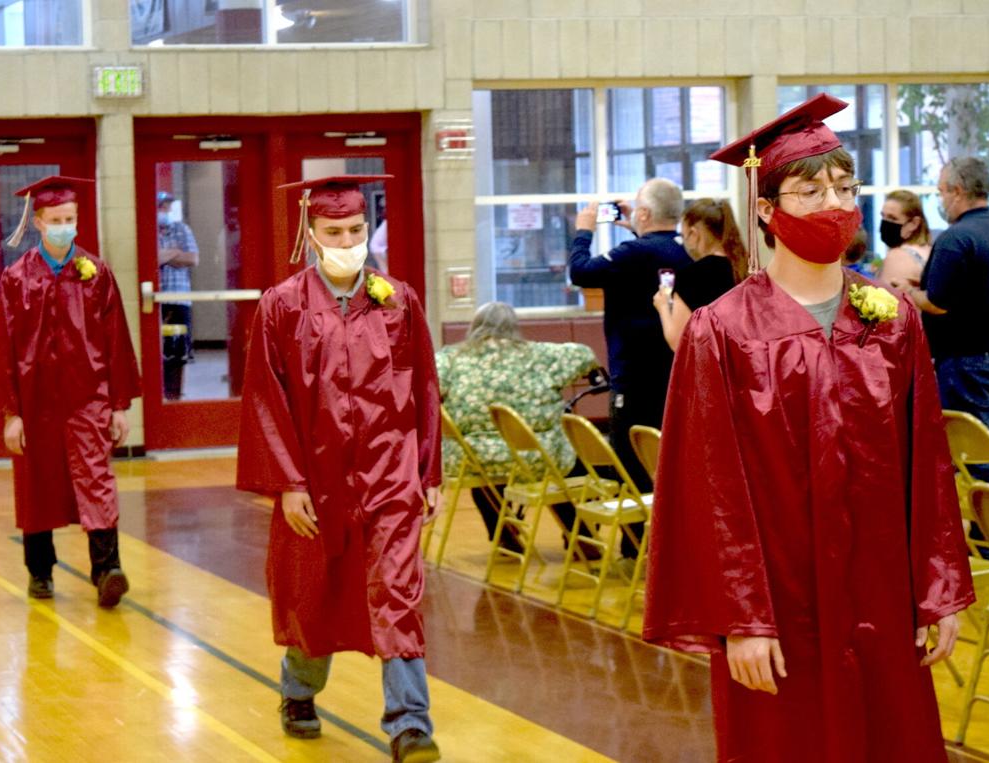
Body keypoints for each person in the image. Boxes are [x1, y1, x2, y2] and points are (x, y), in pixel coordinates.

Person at [642, 94, 975, 763]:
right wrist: (742, 617)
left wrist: (939, 587)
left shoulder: (891, 321)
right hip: (779, 610)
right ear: (766, 210)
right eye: (810, 189)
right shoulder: (723, 331)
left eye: (844, 188)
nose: (833, 204)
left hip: (882, 597)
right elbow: (711, 487)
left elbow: (928, 464)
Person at [237, 174, 443, 763]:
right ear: (311, 233)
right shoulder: (282, 306)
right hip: (315, 478)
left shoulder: (398, 300)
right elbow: (263, 399)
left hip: (389, 473)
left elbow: (425, 391)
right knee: (314, 593)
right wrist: (288, 483)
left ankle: (410, 726)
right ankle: (299, 691)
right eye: (334, 232)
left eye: (356, 230)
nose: (348, 241)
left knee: (397, 593)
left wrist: (426, 475)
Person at [0, 175, 141, 606]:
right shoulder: (17, 278)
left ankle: (107, 570)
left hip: (87, 398)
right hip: (34, 402)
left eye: (70, 219)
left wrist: (118, 406)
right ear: (37, 221)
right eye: (56, 219)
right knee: (36, 485)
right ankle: (40, 573)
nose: (64, 226)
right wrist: (11, 413)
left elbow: (116, 341)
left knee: (97, 480)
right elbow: (4, 349)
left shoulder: (96, 274)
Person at [436, 301, 598, 550]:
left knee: (485, 473)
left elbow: (427, 382)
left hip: (470, 458)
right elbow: (584, 355)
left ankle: (503, 532)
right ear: (514, 326)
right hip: (536, 457)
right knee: (566, 471)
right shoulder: (540, 355)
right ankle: (579, 534)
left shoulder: (451, 358)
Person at [568, 179, 691, 493]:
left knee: (630, 460)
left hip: (634, 376)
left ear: (646, 214)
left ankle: (633, 541)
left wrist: (584, 232)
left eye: (638, 209)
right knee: (668, 455)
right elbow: (654, 261)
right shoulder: (687, 249)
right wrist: (637, 230)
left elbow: (580, 272)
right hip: (678, 371)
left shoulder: (632, 253)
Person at [904, 157, 989, 485]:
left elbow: (937, 303)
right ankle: (986, 531)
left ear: (957, 191)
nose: (940, 200)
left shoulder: (956, 238)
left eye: (940, 192)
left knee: (979, 466)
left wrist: (908, 295)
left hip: (969, 368)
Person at [652, 198, 747, 351]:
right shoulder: (744, 269)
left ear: (694, 234)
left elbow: (678, 342)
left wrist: (662, 306)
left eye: (683, 236)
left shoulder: (691, 276)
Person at [157, 191, 199, 400]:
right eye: (161, 206)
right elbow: (151, 260)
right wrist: (174, 253)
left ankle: (175, 395)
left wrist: (165, 256)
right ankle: (160, 394)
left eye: (167, 207)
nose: (164, 211)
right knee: (159, 350)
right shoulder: (148, 230)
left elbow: (192, 259)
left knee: (178, 350)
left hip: (179, 301)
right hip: (155, 302)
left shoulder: (181, 229)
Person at [878, 189, 932, 288]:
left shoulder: (898, 256)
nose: (885, 223)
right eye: (883, 216)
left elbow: (883, 300)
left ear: (914, 223)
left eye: (892, 218)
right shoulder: (929, 250)